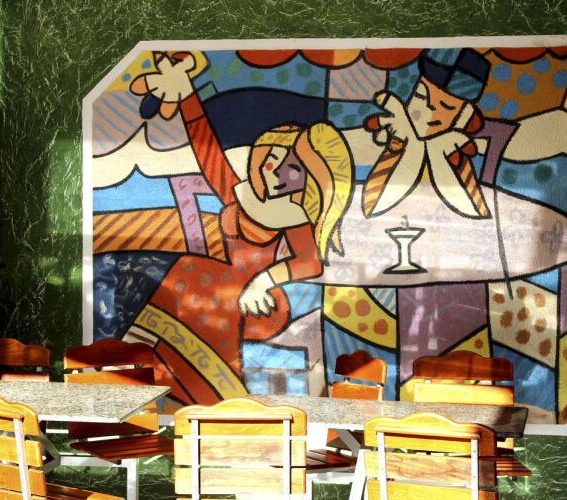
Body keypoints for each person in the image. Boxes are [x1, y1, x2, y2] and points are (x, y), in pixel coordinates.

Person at [130, 52, 353, 404]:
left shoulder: (291, 213)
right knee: (191, 274)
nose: (278, 173)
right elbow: (207, 152)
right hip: (224, 289)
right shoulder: (240, 192)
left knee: (196, 274)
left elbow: (310, 262)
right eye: (273, 160)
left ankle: (220, 392)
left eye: (294, 169)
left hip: (260, 303)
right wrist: (187, 96)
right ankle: (152, 368)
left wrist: (262, 281)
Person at [362, 48, 491, 219]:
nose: (429, 109)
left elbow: (473, 210)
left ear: (462, 116)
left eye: (446, 107)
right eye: (421, 96)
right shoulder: (398, 133)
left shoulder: (453, 148)